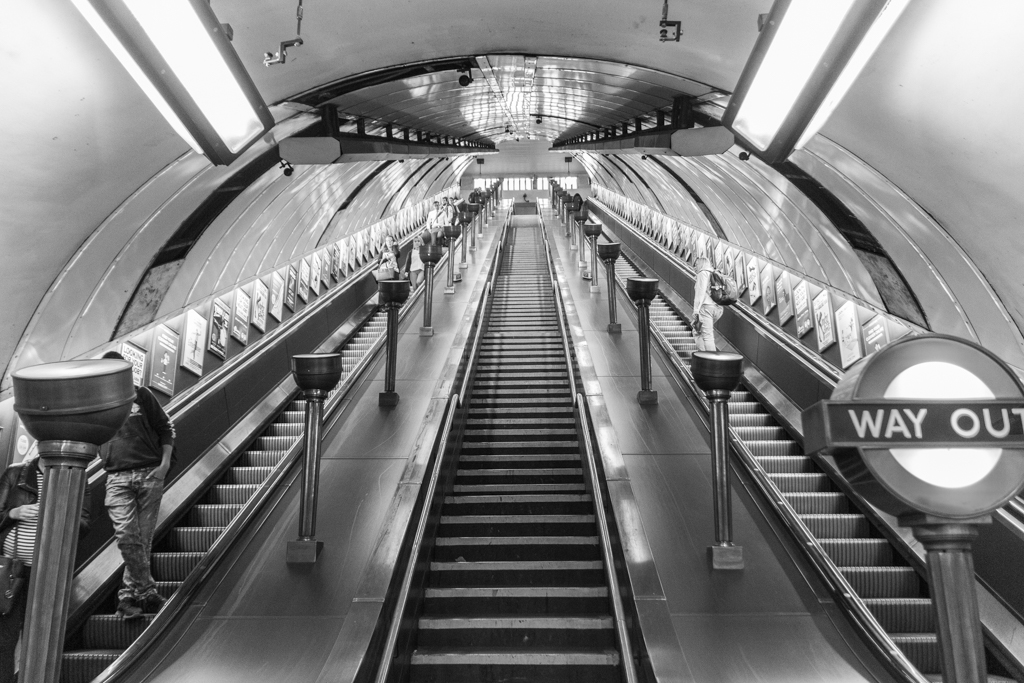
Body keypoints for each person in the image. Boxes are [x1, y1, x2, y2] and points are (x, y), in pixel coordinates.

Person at [0, 445, 91, 682]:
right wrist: (13, 513)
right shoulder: (15, 473)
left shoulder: (75, 477)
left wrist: (59, 513)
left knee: (40, 636)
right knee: (4, 637)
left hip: (48, 571)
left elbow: (84, 524)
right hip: (11, 570)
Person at [99, 351, 176, 620]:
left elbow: (166, 428)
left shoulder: (140, 395)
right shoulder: (96, 403)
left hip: (149, 473)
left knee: (142, 539)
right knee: (127, 537)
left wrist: (164, 465)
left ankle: (127, 599)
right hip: (116, 478)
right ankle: (147, 592)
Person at [691, 256, 724, 352]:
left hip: (706, 308)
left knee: (707, 336)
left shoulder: (703, 273)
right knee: (697, 331)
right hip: (718, 308)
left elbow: (700, 294)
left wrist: (696, 311)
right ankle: (703, 357)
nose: (695, 267)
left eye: (696, 264)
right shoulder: (714, 273)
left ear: (702, 264)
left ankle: (711, 362)